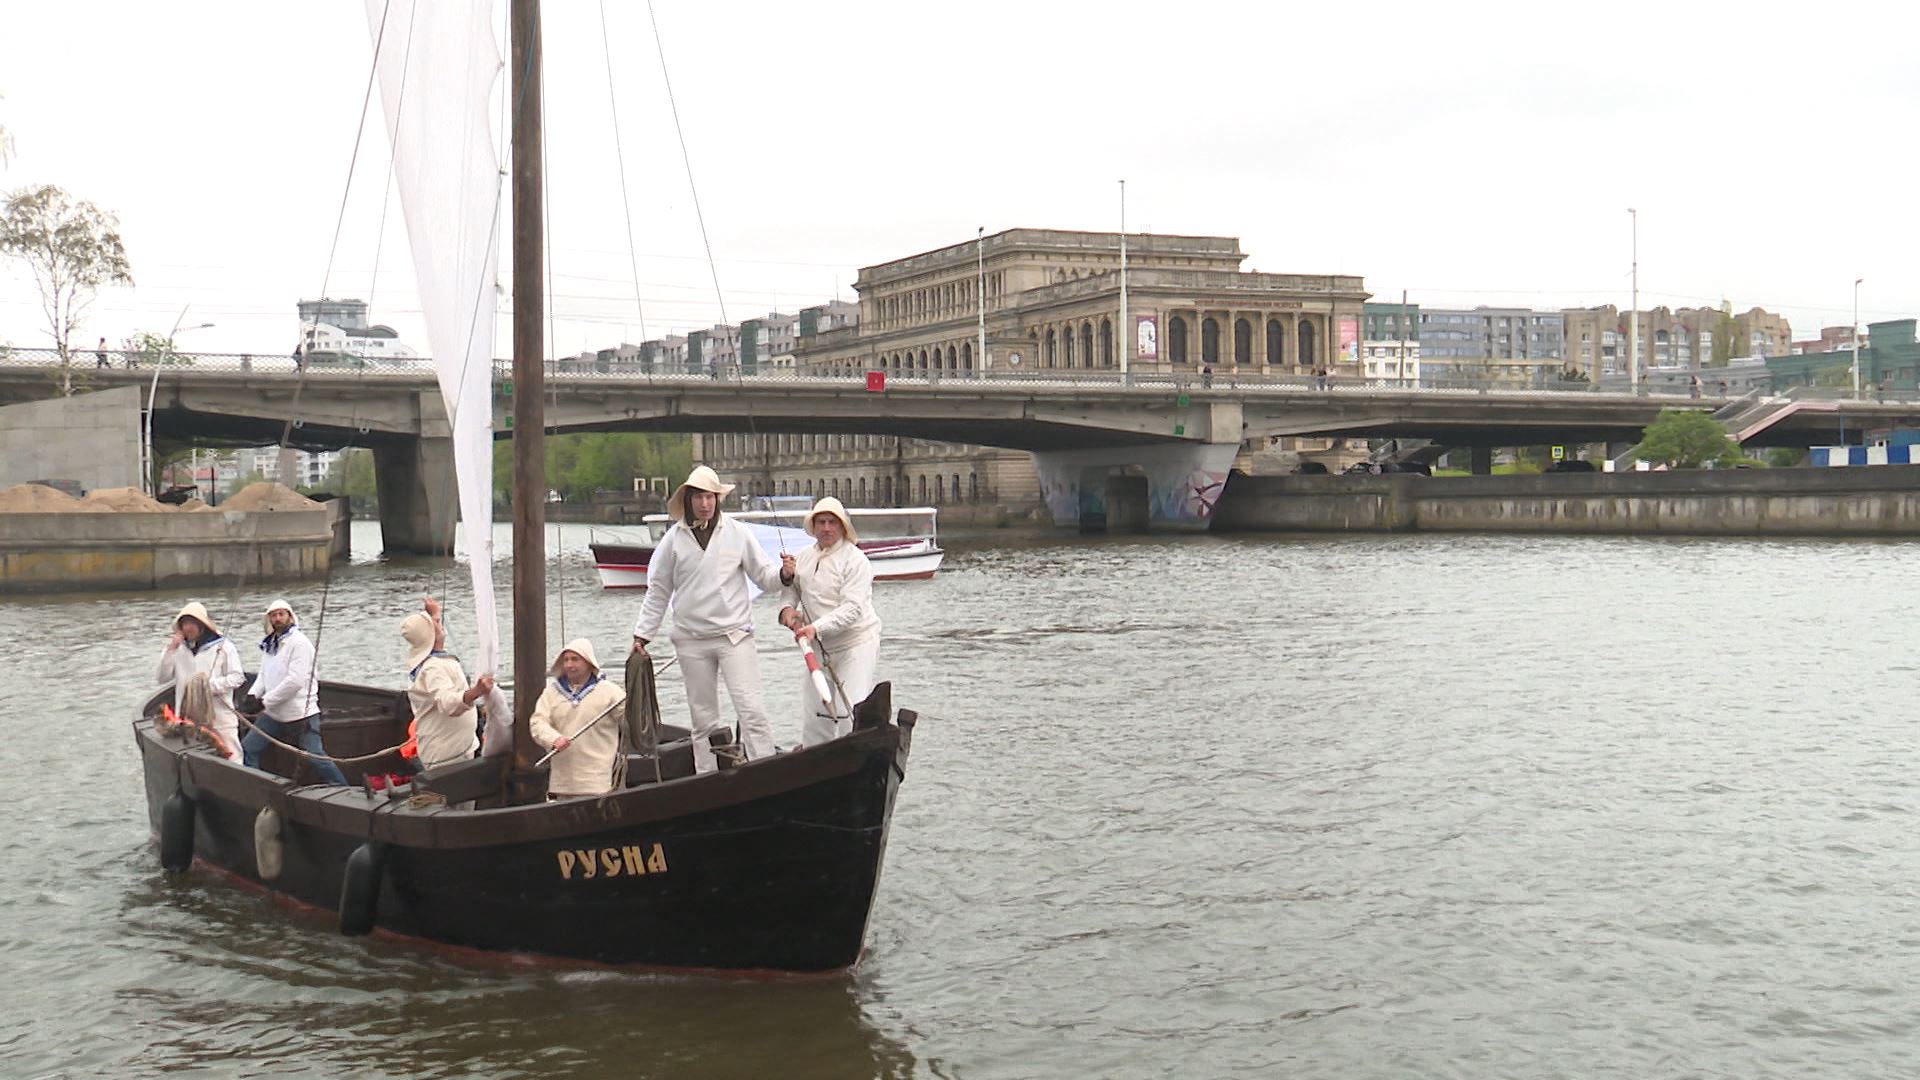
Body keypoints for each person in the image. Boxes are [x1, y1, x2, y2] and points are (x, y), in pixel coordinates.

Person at [632, 465, 787, 774]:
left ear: (718, 500)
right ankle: (706, 776)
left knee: (751, 710)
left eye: (711, 497)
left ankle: (767, 769)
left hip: (734, 635)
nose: (705, 504)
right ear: (688, 500)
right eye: (699, 497)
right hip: (691, 639)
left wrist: (784, 575)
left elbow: (764, 576)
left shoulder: (738, 533)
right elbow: (659, 590)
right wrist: (642, 635)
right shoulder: (673, 540)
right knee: (703, 719)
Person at [776, 496, 881, 747]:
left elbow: (852, 609)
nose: (826, 528)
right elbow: (792, 591)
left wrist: (815, 628)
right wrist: (787, 610)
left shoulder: (856, 561)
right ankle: (815, 765)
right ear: (813, 527)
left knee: (850, 710)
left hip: (855, 644)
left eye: (832, 522)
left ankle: (853, 762)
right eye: (821, 522)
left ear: (842, 527)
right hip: (818, 648)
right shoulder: (803, 557)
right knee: (815, 716)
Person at [242, 598, 348, 785]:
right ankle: (257, 787)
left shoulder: (300, 643)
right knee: (249, 748)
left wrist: (264, 702)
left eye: (281, 614)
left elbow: (295, 681)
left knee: (316, 757)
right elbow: (263, 675)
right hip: (274, 714)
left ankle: (343, 788)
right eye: (274, 616)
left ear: (290, 617)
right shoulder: (270, 645)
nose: (278, 619)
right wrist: (253, 695)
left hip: (301, 714)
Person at [400, 597, 494, 771]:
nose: (439, 623)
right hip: (447, 759)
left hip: (459, 751)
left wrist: (434, 613)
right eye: (435, 622)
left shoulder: (435, 662)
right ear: (430, 634)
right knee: (457, 797)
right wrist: (476, 691)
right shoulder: (433, 668)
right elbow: (448, 703)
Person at [529, 638, 627, 799]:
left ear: (589, 663)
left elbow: (632, 720)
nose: (569, 665)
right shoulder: (551, 693)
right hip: (562, 783)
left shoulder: (610, 692)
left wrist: (639, 695)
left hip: (597, 782)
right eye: (566, 660)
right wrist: (554, 739)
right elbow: (537, 723)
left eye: (575, 659)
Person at [154, 601, 244, 758]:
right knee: (197, 758)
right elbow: (162, 677)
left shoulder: (224, 647)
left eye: (192, 623)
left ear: (202, 625)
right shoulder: (178, 650)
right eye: (184, 624)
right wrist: (171, 649)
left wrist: (209, 687)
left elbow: (237, 678)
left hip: (219, 716)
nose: (188, 628)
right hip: (189, 720)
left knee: (232, 755)